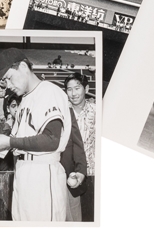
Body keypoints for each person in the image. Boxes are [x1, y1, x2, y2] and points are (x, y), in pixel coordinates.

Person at [0, 48, 71, 222]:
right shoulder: (25, 100)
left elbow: (51, 140)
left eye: (8, 77)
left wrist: (8, 141)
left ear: (23, 66)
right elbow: (15, 142)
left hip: (43, 172)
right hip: (24, 170)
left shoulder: (49, 91)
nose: (8, 85)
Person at [64, 74, 96, 220]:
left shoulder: (97, 111)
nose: (73, 93)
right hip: (72, 175)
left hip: (93, 173)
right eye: (69, 89)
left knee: (92, 216)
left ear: (86, 88)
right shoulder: (63, 112)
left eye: (77, 88)